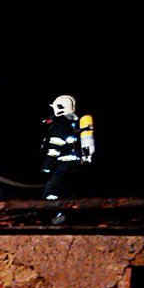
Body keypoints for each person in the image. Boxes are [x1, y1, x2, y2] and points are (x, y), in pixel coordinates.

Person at [40, 94, 95, 224]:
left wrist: (47, 166)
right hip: (75, 164)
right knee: (68, 191)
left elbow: (55, 146)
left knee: (50, 192)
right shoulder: (73, 123)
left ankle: (57, 216)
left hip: (63, 165)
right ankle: (72, 217)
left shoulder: (60, 125)